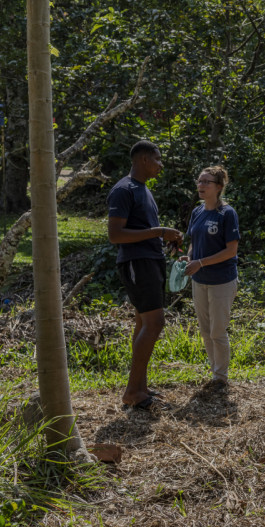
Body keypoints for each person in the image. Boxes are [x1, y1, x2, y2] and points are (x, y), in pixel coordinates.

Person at [108, 140, 182, 409]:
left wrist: (165, 238)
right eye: (158, 159)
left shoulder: (143, 190)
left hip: (150, 260)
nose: (161, 165)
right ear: (143, 160)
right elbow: (115, 235)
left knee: (144, 323)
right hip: (136, 262)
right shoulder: (123, 190)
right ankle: (132, 392)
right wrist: (159, 232)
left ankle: (140, 387)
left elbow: (144, 229)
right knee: (155, 323)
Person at [181, 165, 240, 390]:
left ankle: (221, 378)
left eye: (206, 182)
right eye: (199, 181)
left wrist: (201, 262)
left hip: (222, 280)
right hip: (199, 280)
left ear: (219, 187)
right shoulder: (197, 211)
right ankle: (214, 372)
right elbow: (193, 242)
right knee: (205, 330)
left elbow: (230, 251)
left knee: (218, 330)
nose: (201, 186)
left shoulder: (227, 214)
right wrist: (188, 258)